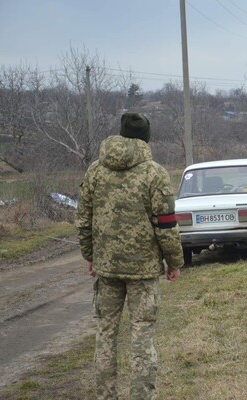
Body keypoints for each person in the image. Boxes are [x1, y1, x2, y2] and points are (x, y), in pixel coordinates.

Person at [76, 112, 184, 399]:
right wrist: (174, 261)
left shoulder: (95, 171)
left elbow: (83, 219)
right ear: (146, 137)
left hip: (107, 268)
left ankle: (106, 395)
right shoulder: (154, 173)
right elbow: (166, 224)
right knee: (142, 336)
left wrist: (90, 255)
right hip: (144, 271)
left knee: (105, 336)